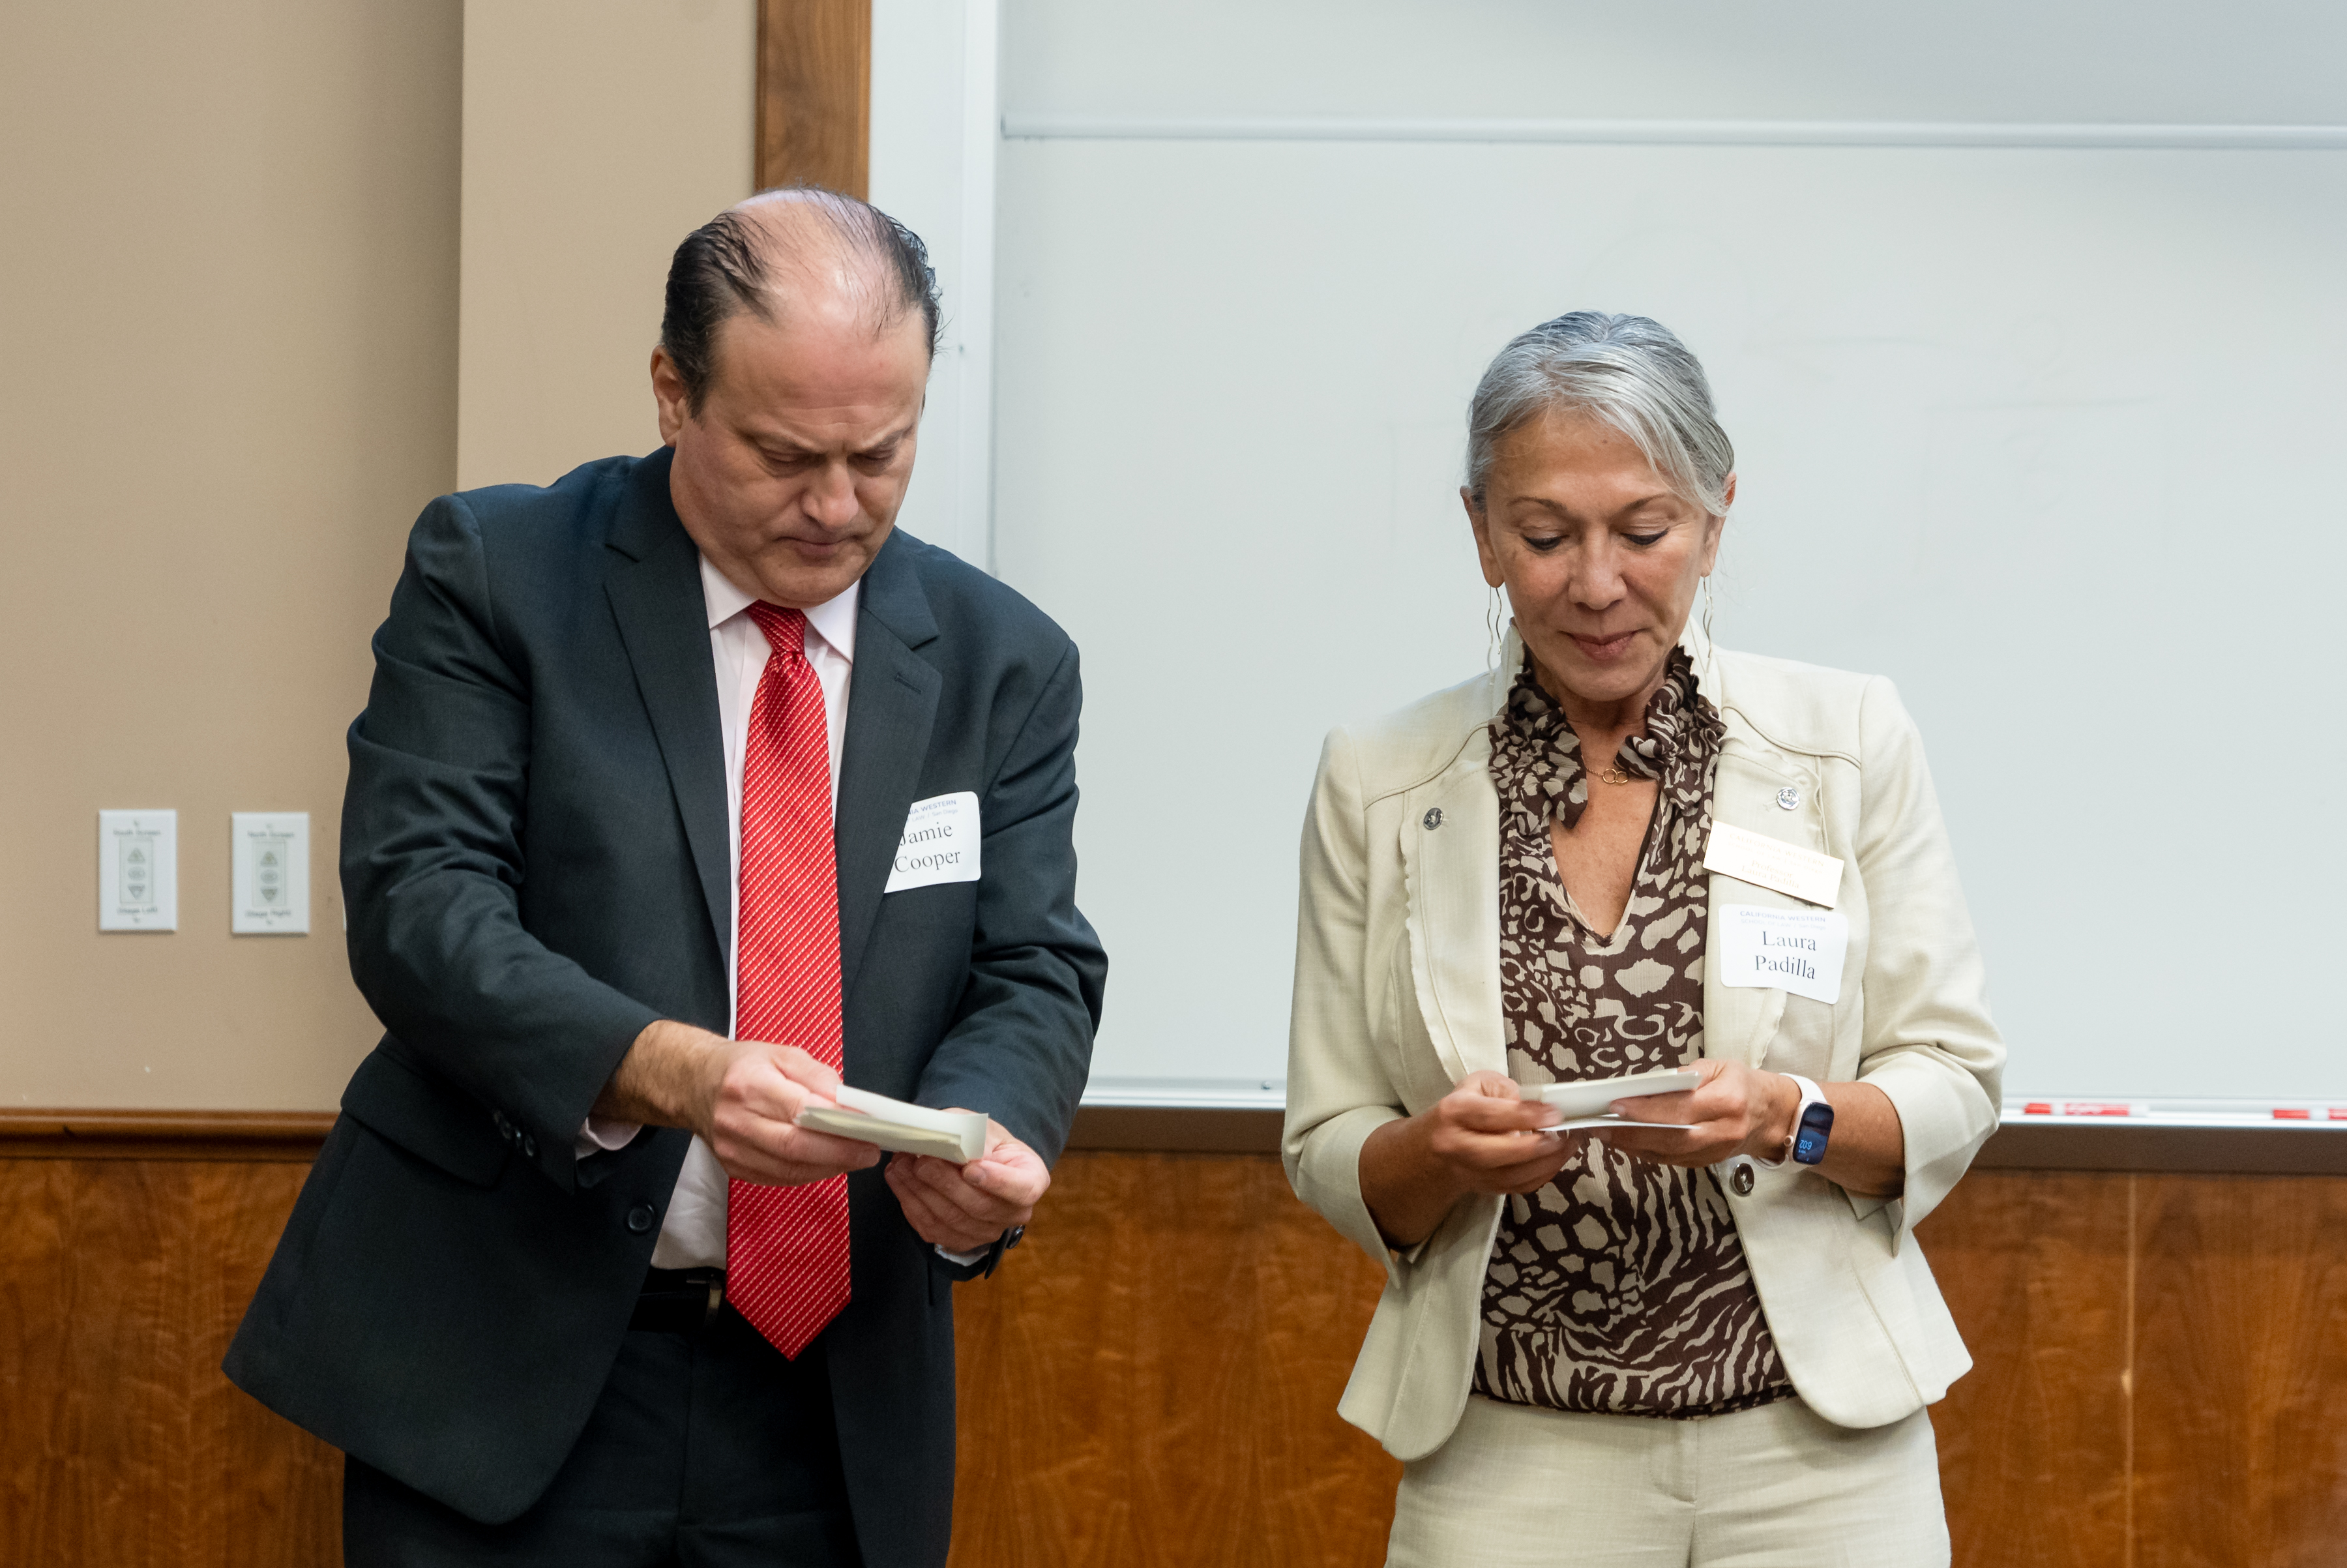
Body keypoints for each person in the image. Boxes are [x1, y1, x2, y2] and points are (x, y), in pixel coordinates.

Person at [224, 188, 1106, 1568]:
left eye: (883, 453)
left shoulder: (1005, 662)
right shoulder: (501, 576)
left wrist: (984, 1129)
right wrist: (675, 1070)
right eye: (781, 453)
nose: (835, 506)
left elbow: (1031, 962)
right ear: (670, 393)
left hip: (831, 1391)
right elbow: (422, 907)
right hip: (509, 1364)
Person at [1283, 312, 2002, 1566]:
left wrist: (1788, 1115)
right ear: (1482, 532)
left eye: (1646, 529)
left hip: (1817, 1459)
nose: (1597, 583)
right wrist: (1440, 1153)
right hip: (1510, 1454)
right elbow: (1328, 1143)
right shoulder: (1383, 778)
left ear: (1718, 516)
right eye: (1547, 535)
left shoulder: (1846, 743)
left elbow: (1954, 1081)